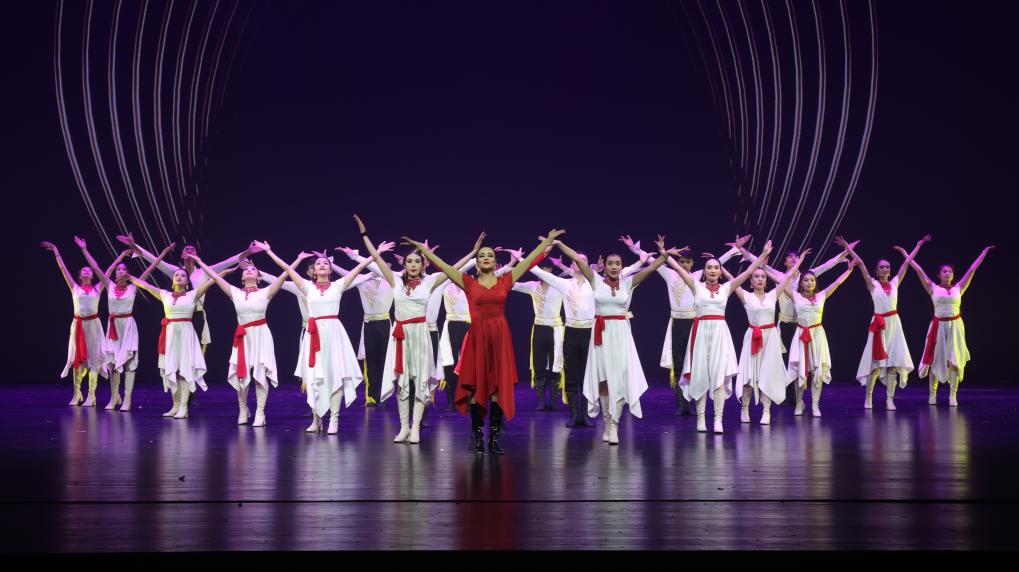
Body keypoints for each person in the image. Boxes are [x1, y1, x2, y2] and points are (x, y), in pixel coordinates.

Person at [404, 229, 565, 454]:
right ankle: (478, 438)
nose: (486, 257)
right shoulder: (468, 283)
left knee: (497, 389)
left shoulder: (506, 280)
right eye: (482, 256)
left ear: (495, 262)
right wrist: (423, 250)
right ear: (477, 263)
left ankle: (494, 439)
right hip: (477, 337)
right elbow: (445, 267)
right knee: (475, 387)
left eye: (489, 255)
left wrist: (547, 242)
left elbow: (529, 261)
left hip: (500, 338)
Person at [358, 222, 483, 444]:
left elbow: (453, 268)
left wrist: (473, 253)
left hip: (420, 335)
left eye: (417, 261)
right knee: (402, 382)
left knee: (419, 382)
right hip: (400, 336)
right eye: (410, 261)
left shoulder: (430, 282)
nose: (413, 264)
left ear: (423, 264)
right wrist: (364, 233)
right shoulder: (395, 281)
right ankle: (404, 427)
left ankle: (415, 427)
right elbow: (375, 258)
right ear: (404, 264)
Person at [555, 237, 684, 444]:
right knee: (604, 379)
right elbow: (577, 260)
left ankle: (614, 425)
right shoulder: (595, 280)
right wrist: (559, 244)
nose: (614, 267)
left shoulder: (628, 282)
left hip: (621, 334)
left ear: (622, 266)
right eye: (610, 263)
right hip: (601, 334)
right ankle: (607, 423)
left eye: (618, 264)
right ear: (604, 266)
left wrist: (665, 255)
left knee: (621, 378)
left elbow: (651, 269)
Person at [256, 232, 381, 434]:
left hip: (334, 334)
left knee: (335, 375)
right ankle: (316, 419)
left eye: (325, 263)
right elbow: (287, 269)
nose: (322, 265)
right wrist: (269, 252)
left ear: (330, 269)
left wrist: (376, 253)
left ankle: (334, 418)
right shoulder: (306, 287)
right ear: (313, 271)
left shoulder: (338, 285)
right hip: (313, 335)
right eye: (318, 264)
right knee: (314, 377)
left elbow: (358, 268)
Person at [622, 234, 748, 415]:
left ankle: (695, 400)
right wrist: (634, 248)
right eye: (682, 262)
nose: (685, 265)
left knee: (696, 362)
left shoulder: (696, 276)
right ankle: (682, 403)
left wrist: (735, 249)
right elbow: (651, 260)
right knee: (679, 363)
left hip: (695, 323)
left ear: (693, 264)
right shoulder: (669, 273)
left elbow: (717, 263)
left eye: (688, 263)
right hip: (677, 324)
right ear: (678, 262)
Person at [669, 238, 773, 433]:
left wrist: (764, 255)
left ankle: (718, 420)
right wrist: (665, 253)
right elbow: (677, 268)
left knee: (718, 376)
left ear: (720, 271)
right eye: (709, 267)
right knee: (700, 375)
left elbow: (748, 272)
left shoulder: (727, 287)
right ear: (704, 270)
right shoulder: (696, 285)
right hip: (700, 333)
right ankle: (701, 419)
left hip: (719, 334)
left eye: (716, 267)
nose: (713, 270)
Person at [188, 254, 292, 427]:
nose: (249, 270)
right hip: (243, 337)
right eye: (246, 270)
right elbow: (214, 276)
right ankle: (243, 409)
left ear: (259, 278)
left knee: (260, 375)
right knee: (241, 374)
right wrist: (199, 261)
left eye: (253, 269)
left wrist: (280, 255)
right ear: (242, 278)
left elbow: (285, 273)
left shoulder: (266, 292)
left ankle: (260, 412)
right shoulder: (235, 292)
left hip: (261, 335)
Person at [129, 260, 235, 419]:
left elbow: (213, 280)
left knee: (184, 370)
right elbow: (145, 285)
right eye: (176, 275)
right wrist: (130, 277)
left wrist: (225, 272)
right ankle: (176, 405)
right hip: (170, 335)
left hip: (186, 334)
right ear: (172, 281)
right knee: (172, 369)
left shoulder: (193, 294)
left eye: (183, 275)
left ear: (187, 282)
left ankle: (184, 407)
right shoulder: (164, 295)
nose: (179, 277)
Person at [837, 235, 930, 410]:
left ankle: (889, 399)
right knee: (876, 363)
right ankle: (868, 397)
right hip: (879, 325)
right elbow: (860, 263)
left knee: (893, 364)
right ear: (876, 270)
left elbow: (907, 263)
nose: (885, 269)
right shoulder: (872, 284)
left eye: (887, 267)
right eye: (881, 267)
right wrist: (847, 248)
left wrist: (917, 246)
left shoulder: (895, 283)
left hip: (894, 324)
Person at [77, 238, 169, 411]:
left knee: (128, 364)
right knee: (112, 365)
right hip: (113, 329)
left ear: (128, 274)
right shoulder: (109, 285)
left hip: (127, 327)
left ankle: (127, 399)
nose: (120, 271)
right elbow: (95, 267)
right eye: (118, 269)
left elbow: (150, 269)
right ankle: (114, 398)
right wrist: (84, 249)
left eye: (124, 269)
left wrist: (162, 254)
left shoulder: (133, 287)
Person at [903, 244, 993, 406]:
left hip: (955, 327)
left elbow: (972, 269)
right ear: (939, 274)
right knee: (935, 360)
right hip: (938, 327)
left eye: (950, 271)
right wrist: (906, 254)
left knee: (954, 360)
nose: (947, 273)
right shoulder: (932, 287)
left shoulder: (959, 287)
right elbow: (919, 270)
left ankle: (953, 395)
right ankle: (932, 394)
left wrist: (983, 252)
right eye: (944, 271)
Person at [727, 248, 804, 424]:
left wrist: (800, 261)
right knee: (748, 374)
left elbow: (788, 277)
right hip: (752, 338)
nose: (760, 279)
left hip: (770, 339)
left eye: (763, 276)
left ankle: (766, 411)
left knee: (768, 374)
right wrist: (722, 263)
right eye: (756, 277)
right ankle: (745, 408)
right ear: (751, 281)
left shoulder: (772, 295)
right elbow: (731, 279)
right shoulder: (745, 295)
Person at [781, 257, 857, 417]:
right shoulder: (796, 296)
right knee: (799, 370)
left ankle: (815, 405)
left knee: (817, 371)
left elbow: (837, 283)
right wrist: (763, 266)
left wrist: (849, 271)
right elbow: (780, 282)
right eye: (806, 280)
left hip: (817, 336)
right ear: (801, 283)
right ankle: (799, 403)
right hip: (801, 335)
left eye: (812, 280)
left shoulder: (821, 295)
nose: (809, 283)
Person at [43, 240, 110, 406]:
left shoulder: (98, 288)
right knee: (76, 358)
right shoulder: (75, 288)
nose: (86, 271)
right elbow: (63, 268)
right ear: (80, 276)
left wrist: (120, 256)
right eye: (84, 270)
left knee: (94, 359)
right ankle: (77, 393)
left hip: (93, 326)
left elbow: (108, 271)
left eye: (89, 270)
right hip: (78, 326)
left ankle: (91, 395)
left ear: (92, 275)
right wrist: (56, 251)